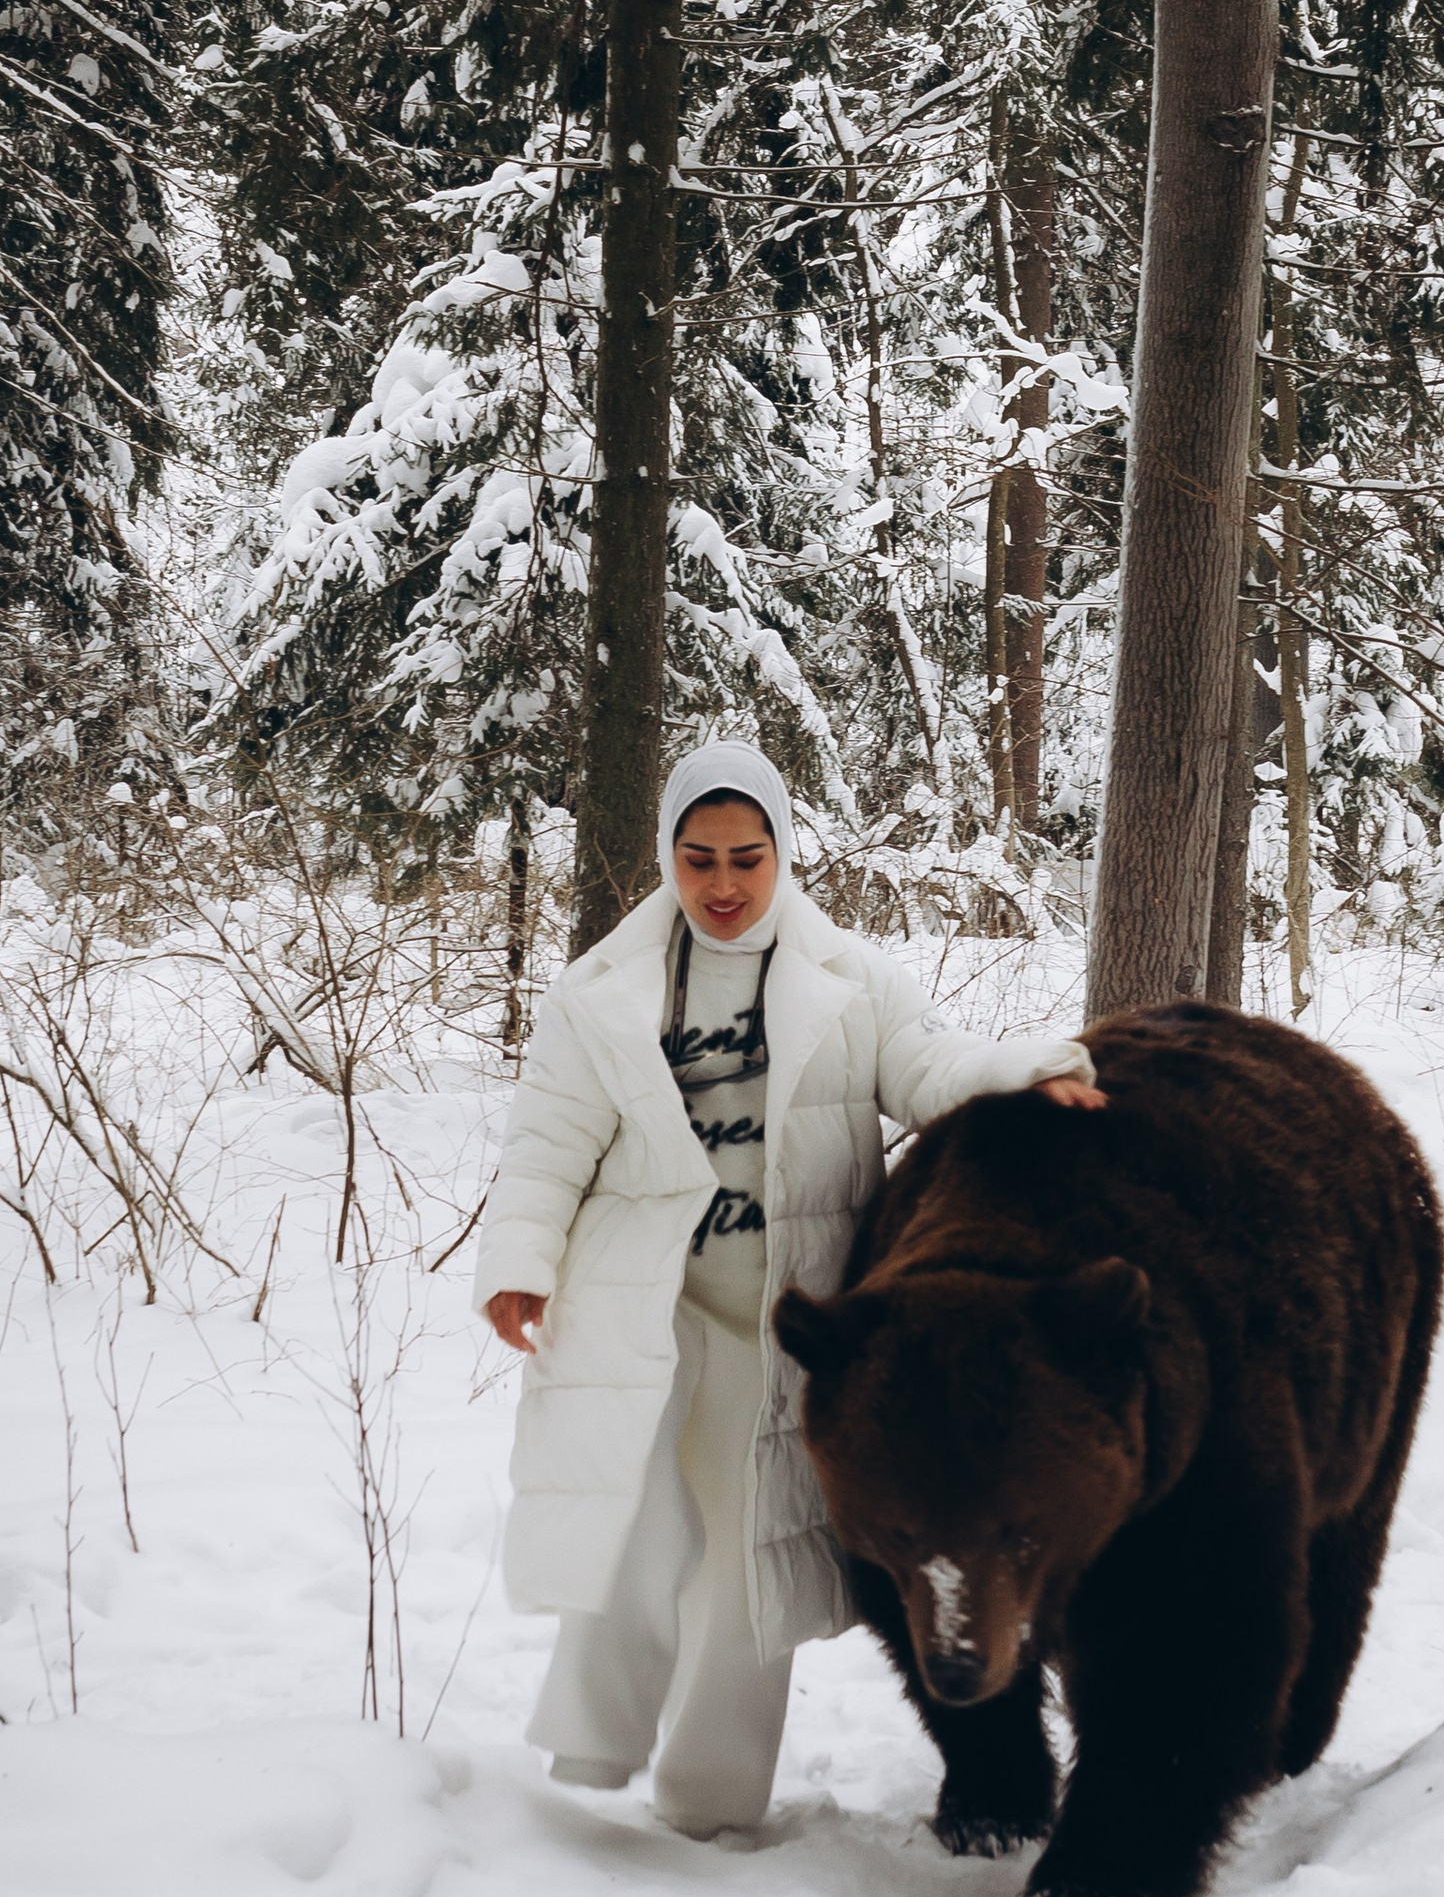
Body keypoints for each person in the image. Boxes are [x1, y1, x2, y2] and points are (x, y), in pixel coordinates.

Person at [472, 736, 1103, 1838]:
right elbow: (547, 1144)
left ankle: (710, 1804)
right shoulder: (602, 991)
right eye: (700, 857)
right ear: (668, 855)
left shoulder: (851, 981)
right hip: (645, 1308)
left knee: (742, 1566)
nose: (723, 885)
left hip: (783, 1321)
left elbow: (924, 1069)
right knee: (632, 1529)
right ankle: (587, 1770)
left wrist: (1024, 1068)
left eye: (747, 858)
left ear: (783, 855)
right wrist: (519, 1262)